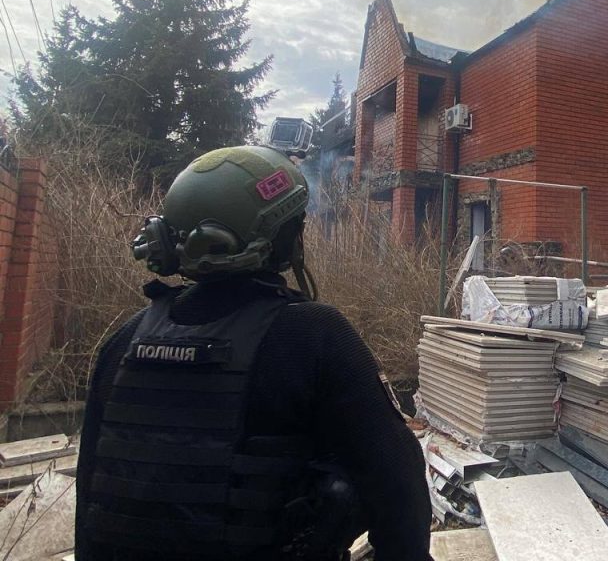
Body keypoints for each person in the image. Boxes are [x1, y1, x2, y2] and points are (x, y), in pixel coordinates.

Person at [75, 145, 433, 561]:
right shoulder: (313, 335)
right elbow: (397, 482)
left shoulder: (124, 341)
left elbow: (92, 500)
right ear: (279, 239)